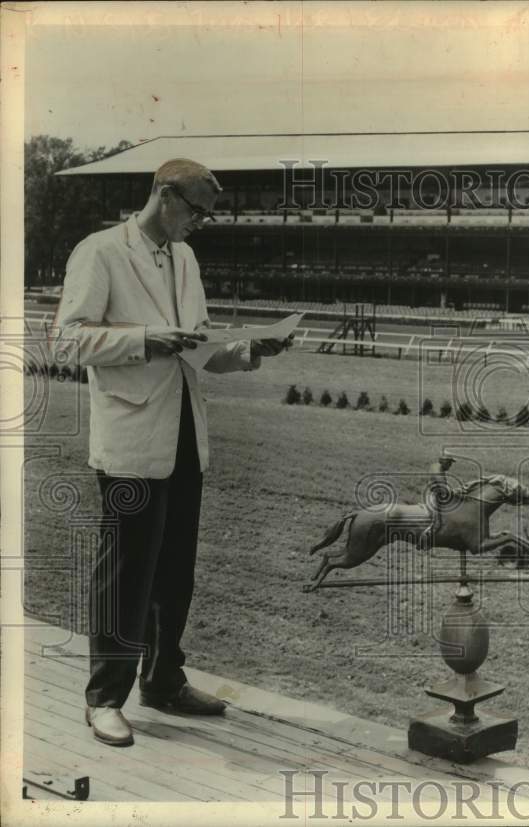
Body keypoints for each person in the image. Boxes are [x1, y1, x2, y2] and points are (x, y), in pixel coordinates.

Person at [51, 158, 293, 748]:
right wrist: (143, 340)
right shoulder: (101, 251)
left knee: (174, 568)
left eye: (208, 213)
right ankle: (104, 698)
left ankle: (163, 681)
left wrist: (249, 351)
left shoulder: (184, 259)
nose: (202, 223)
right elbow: (69, 336)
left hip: (184, 432)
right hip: (132, 438)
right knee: (126, 569)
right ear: (165, 194)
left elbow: (197, 346)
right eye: (197, 209)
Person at [418, 456, 455, 549]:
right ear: (443, 461)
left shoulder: (437, 467)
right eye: (449, 463)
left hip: (435, 494)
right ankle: (423, 541)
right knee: (437, 523)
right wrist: (455, 493)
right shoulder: (437, 470)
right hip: (433, 496)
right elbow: (443, 487)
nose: (450, 465)